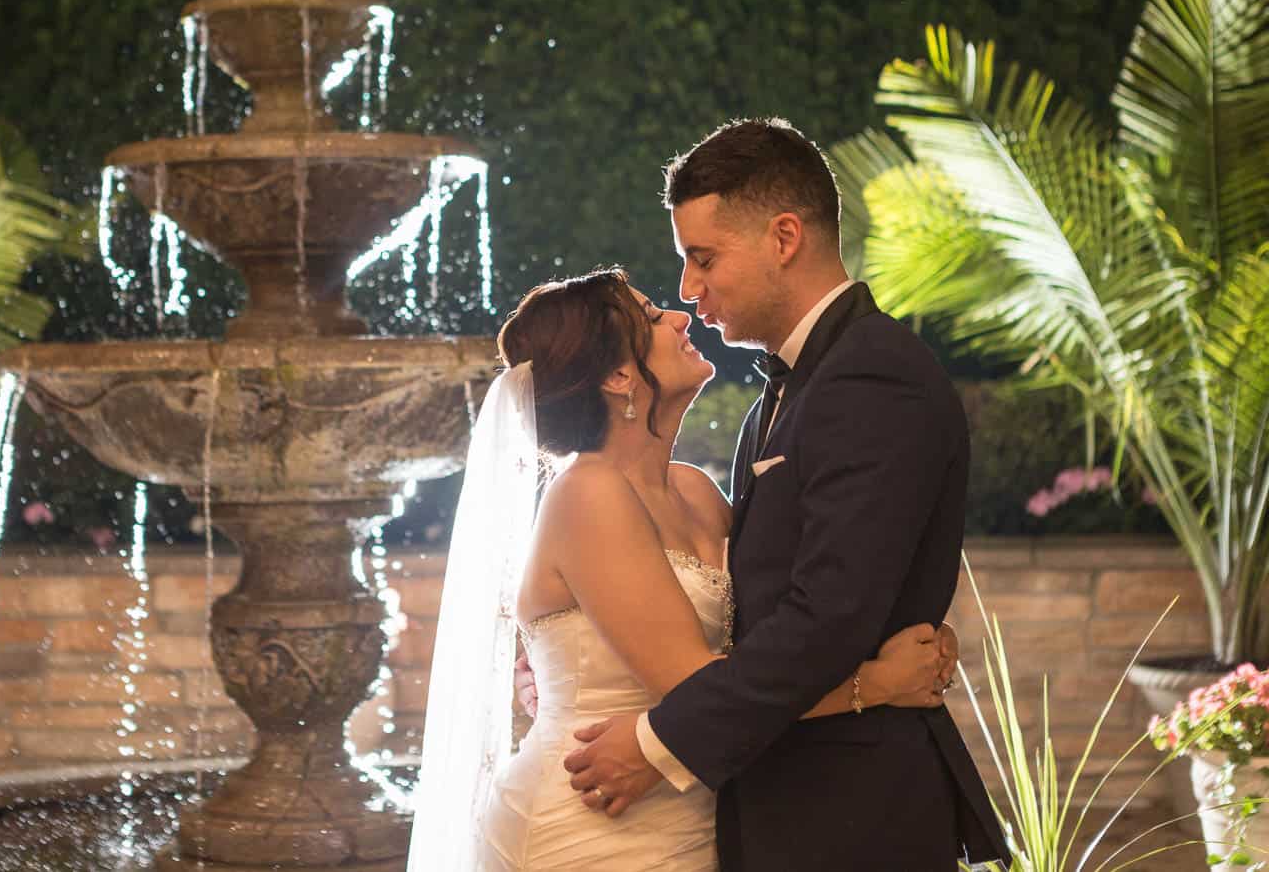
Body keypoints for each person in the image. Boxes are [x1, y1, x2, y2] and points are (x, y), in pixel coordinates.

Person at [559, 118, 1007, 869]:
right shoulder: (790, 389)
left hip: (851, 812)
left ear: (785, 237)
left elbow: (829, 612)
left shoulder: (871, 375)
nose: (687, 288)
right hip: (783, 801)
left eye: (704, 258)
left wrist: (655, 740)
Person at [405, 265, 958, 872]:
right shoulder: (587, 492)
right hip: (594, 815)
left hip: (693, 811)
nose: (680, 315)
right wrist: (875, 685)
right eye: (650, 316)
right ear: (619, 376)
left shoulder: (695, 489)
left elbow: (780, 618)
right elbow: (698, 684)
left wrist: (903, 616)